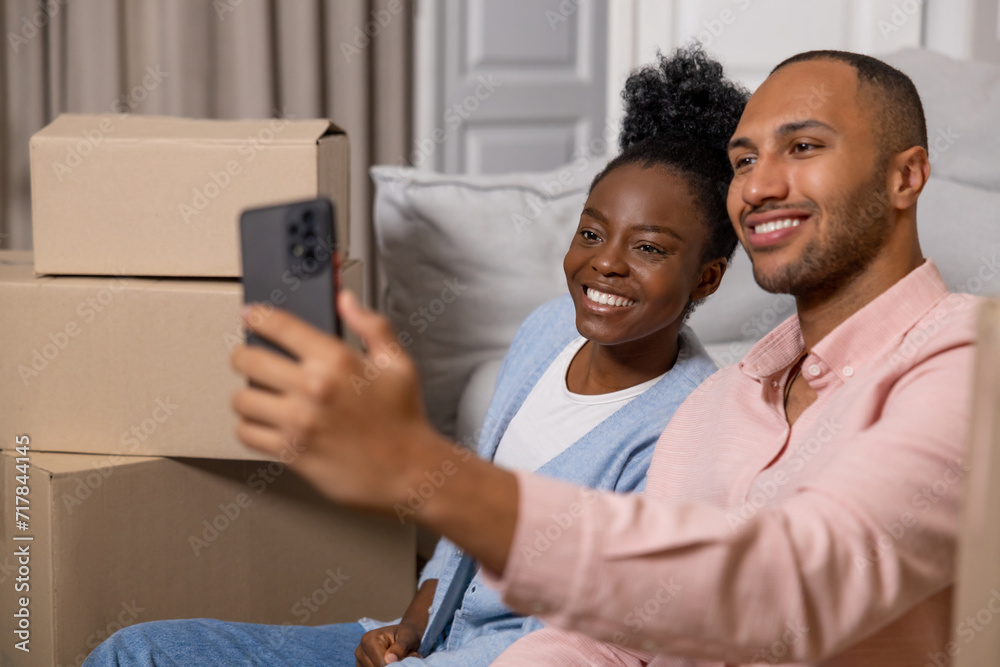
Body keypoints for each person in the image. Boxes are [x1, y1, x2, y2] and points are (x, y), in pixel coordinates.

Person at [214, 49, 985, 665]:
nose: (759, 185)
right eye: (745, 160)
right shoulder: (721, 408)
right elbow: (618, 637)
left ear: (905, 175)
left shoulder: (968, 361)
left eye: (804, 147)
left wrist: (423, 471)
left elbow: (795, 586)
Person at [84, 47, 750, 666]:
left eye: (650, 248)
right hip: (428, 640)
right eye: (591, 231)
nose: (604, 262)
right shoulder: (548, 331)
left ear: (707, 277)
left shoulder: (688, 431)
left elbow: (592, 642)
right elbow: (469, 499)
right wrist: (410, 622)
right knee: (134, 651)